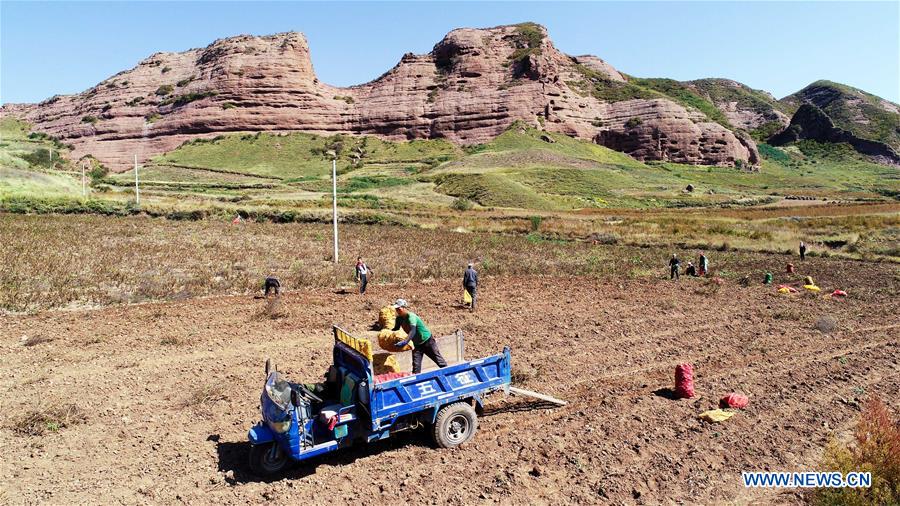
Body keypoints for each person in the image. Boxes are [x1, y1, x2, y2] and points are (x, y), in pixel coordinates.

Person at [391, 299, 447, 374]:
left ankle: (450, 375)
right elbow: (395, 330)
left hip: (427, 341)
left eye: (399, 309)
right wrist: (385, 333)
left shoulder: (411, 316)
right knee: (416, 367)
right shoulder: (399, 319)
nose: (397, 310)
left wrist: (405, 341)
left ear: (404, 308)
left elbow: (413, 330)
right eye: (396, 309)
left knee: (439, 361)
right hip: (417, 345)